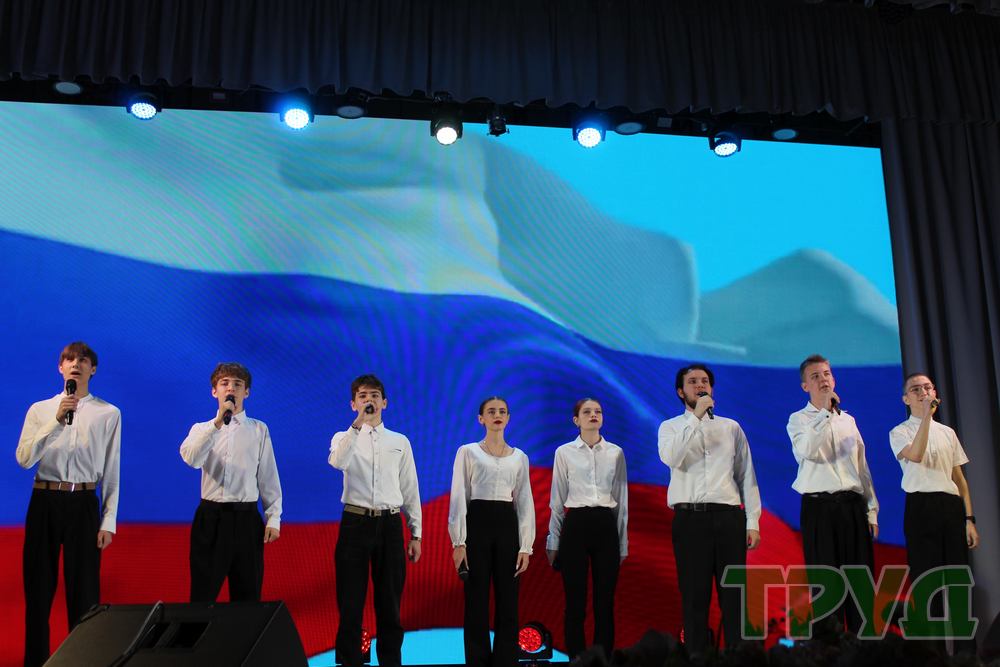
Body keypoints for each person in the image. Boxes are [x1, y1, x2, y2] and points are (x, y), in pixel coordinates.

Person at [15, 341, 121, 667]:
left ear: (93, 369)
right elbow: (24, 458)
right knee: (38, 590)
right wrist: (57, 421)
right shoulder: (40, 410)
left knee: (84, 593)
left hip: (84, 503)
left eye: (83, 360)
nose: (76, 364)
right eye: (70, 359)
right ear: (61, 368)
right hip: (45, 500)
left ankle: (82, 661)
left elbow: (112, 470)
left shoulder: (109, 413)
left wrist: (108, 520)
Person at [658, 364, 761, 657]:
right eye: (692, 382)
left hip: (729, 518)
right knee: (694, 598)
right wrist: (697, 418)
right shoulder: (670, 427)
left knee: (735, 598)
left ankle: (738, 659)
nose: (700, 385)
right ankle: (696, 658)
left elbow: (746, 475)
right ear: (681, 392)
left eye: (705, 381)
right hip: (690, 520)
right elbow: (671, 457)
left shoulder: (731, 428)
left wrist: (752, 521)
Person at [329, 374, 422, 667]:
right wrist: (357, 425)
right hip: (355, 523)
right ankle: (349, 662)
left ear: (385, 402)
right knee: (350, 602)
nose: (369, 400)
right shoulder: (343, 437)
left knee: (390, 603)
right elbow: (337, 462)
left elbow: (410, 487)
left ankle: (391, 662)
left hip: (390, 524)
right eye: (363, 396)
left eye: (374, 396)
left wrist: (416, 533)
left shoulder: (399, 441)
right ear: (353, 404)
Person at [786, 354, 878, 633]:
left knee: (860, 585)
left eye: (826, 374)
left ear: (834, 379)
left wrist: (871, 509)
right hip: (819, 509)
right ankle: (831, 649)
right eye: (815, 376)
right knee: (828, 587)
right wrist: (825, 413)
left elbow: (861, 468)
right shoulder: (798, 420)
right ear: (805, 386)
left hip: (852, 507)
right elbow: (807, 451)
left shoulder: (848, 420)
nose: (823, 379)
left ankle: (864, 647)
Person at [890, 372, 979, 654]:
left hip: (950, 507)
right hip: (920, 507)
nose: (923, 393)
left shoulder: (947, 433)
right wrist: (926, 418)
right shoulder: (899, 432)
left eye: (927, 387)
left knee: (958, 584)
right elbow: (916, 455)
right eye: (916, 389)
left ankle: (966, 655)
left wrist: (969, 519)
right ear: (906, 399)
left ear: (935, 392)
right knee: (928, 586)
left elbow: (959, 479)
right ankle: (934, 655)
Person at [179, 362, 282, 603]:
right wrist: (217, 424)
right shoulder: (201, 429)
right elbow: (192, 459)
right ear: (214, 391)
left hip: (246, 519)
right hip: (210, 518)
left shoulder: (258, 430)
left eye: (237, 384)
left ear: (246, 392)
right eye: (224, 383)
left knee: (248, 595)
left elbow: (268, 476)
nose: (231, 388)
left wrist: (273, 518)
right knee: (202, 594)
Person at [449, 397, 535, 667]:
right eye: (491, 411)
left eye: (502, 411)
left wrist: (526, 546)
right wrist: (459, 542)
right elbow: (459, 496)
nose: (497, 415)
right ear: (481, 418)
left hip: (507, 528)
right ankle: (477, 661)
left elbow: (524, 501)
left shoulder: (520, 457)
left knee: (508, 601)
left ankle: (506, 661)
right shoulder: (468, 452)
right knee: (476, 600)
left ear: (508, 418)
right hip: (477, 525)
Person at [545, 398, 628, 660]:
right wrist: (553, 541)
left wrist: (622, 544)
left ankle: (602, 659)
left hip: (606, 525)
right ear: (576, 420)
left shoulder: (615, 453)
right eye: (587, 411)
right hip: (576, 526)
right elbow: (557, 500)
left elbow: (621, 502)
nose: (594, 415)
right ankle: (577, 659)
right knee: (575, 602)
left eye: (598, 411)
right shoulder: (564, 452)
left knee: (605, 603)